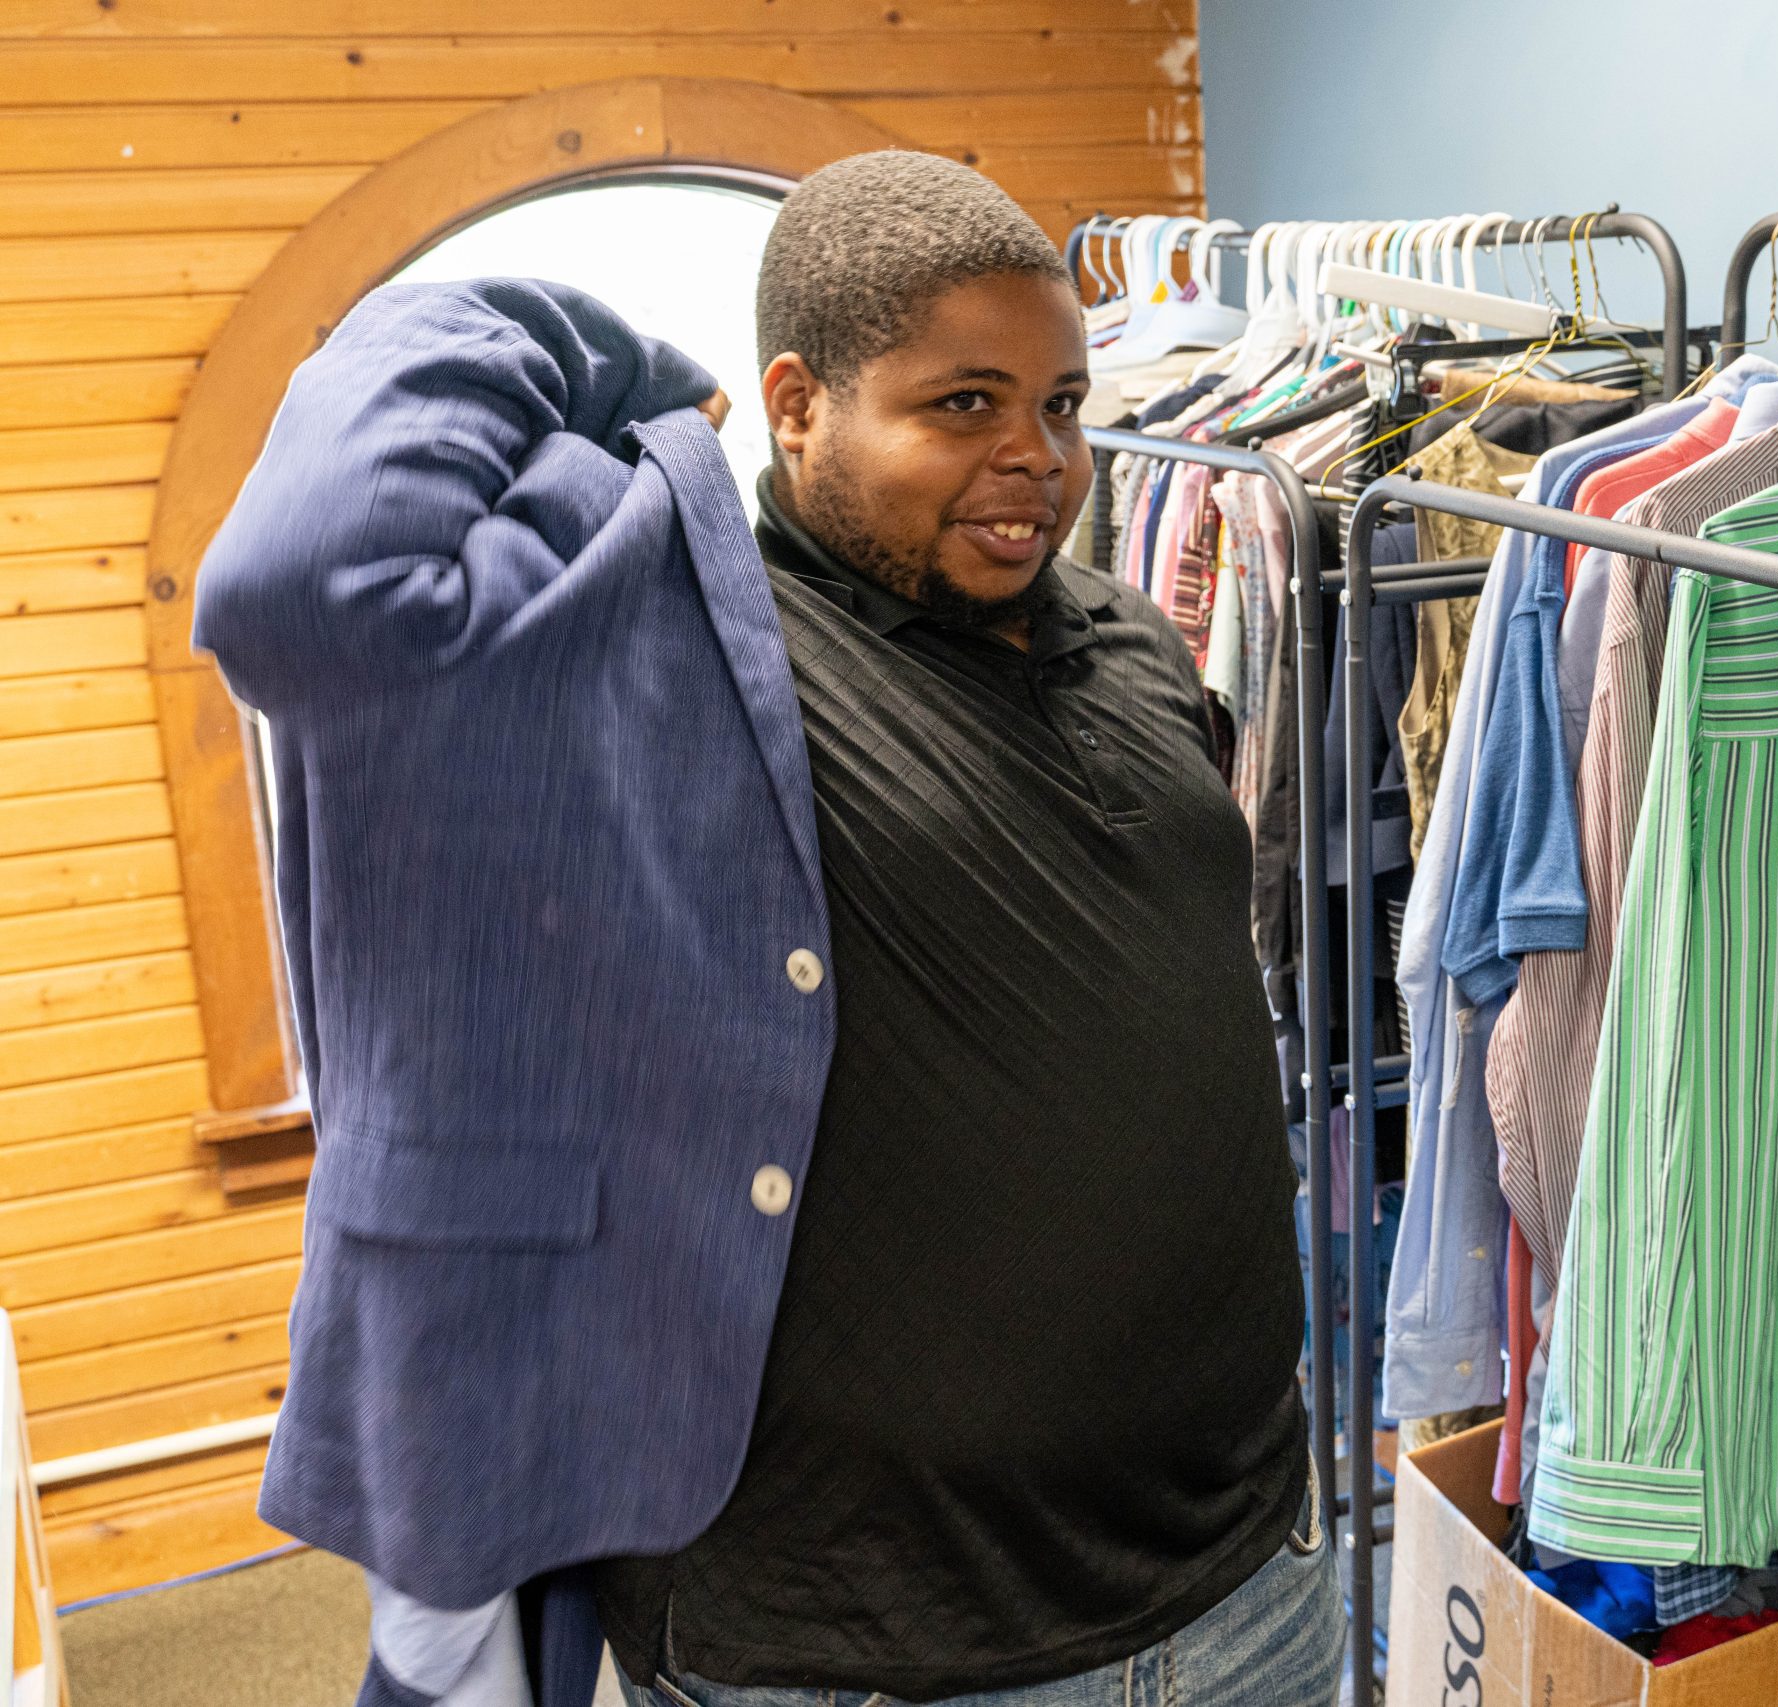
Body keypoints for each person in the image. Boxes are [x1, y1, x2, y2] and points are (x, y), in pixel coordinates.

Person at [193, 152, 1339, 1707]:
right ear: (796, 407)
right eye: (963, 405)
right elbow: (305, 586)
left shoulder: (1130, 634)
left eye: (1061, 407)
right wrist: (617, 361)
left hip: (1247, 1585)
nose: (1035, 459)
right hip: (867, 1652)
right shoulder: (686, 660)